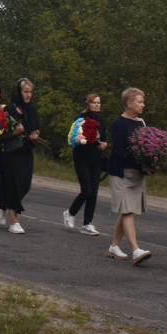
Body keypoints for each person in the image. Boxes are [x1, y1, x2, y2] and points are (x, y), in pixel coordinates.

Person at [106, 87, 153, 264]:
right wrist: (140, 163)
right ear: (129, 103)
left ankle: (114, 246)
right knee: (127, 211)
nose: (143, 105)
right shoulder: (119, 123)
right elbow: (119, 151)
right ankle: (135, 249)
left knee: (128, 210)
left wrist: (149, 165)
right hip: (121, 173)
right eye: (140, 101)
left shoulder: (141, 122)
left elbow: (147, 147)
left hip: (137, 173)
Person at [0, 79, 41, 233]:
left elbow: (36, 128)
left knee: (25, 185)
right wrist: (14, 133)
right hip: (9, 152)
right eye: (25, 92)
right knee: (14, 184)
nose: (28, 95)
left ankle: (4, 203)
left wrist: (35, 134)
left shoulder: (32, 110)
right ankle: (14, 222)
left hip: (26, 151)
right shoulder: (7, 110)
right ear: (18, 92)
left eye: (30, 92)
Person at [63, 93, 107, 235]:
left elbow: (104, 140)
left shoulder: (101, 120)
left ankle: (87, 223)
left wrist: (103, 144)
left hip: (96, 158)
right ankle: (70, 212)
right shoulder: (80, 118)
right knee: (86, 190)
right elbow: (75, 139)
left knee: (93, 192)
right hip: (82, 157)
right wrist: (89, 139)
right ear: (88, 104)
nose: (97, 105)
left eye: (99, 102)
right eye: (94, 102)